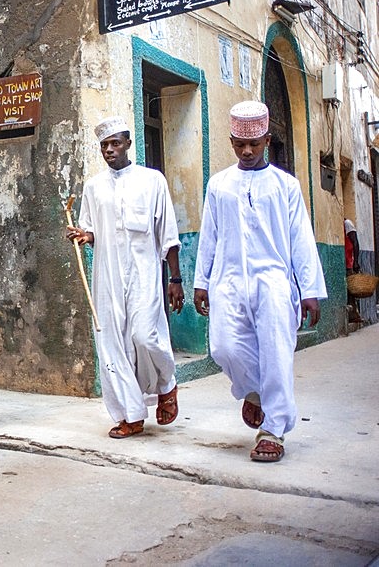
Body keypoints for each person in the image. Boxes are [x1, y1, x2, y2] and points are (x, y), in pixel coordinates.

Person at [193, 100, 328, 463]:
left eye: (254, 143)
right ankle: (255, 393)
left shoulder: (286, 186)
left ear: (267, 140)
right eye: (239, 144)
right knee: (224, 348)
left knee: (276, 353)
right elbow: (209, 236)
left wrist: (310, 290)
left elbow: (301, 238)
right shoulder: (219, 185)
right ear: (232, 142)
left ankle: (274, 430)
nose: (247, 150)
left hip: (273, 281)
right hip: (228, 280)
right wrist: (201, 281)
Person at [66, 116, 184, 439]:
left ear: (129, 143)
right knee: (112, 344)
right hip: (108, 276)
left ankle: (167, 383)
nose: (109, 150)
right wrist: (83, 236)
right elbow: (91, 230)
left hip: (144, 274)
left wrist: (175, 279)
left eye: (115, 143)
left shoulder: (152, 181)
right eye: (104, 145)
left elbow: (168, 234)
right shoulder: (93, 187)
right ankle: (130, 415)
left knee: (146, 335)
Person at [345, 218, 362, 322]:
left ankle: (354, 315)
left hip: (349, 263)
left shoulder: (347, 223)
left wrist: (355, 261)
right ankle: (353, 315)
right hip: (346, 261)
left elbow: (355, 242)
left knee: (351, 290)